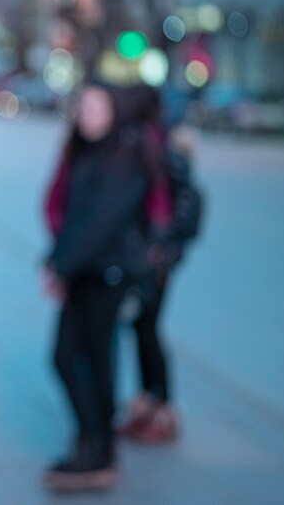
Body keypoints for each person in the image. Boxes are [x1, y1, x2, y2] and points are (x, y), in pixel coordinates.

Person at [41, 82, 153, 491]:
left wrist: (60, 267)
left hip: (107, 273)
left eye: (95, 107)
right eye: (82, 106)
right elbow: (73, 216)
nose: (86, 114)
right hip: (84, 272)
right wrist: (54, 260)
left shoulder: (124, 153)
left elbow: (102, 222)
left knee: (88, 360)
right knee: (69, 358)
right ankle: (92, 441)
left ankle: (99, 448)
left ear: (113, 110)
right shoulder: (87, 150)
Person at [118, 87, 202, 443]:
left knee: (148, 327)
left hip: (158, 261)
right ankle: (149, 401)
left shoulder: (165, 152)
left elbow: (189, 207)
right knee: (141, 326)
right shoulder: (151, 146)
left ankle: (162, 405)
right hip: (147, 257)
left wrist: (165, 251)